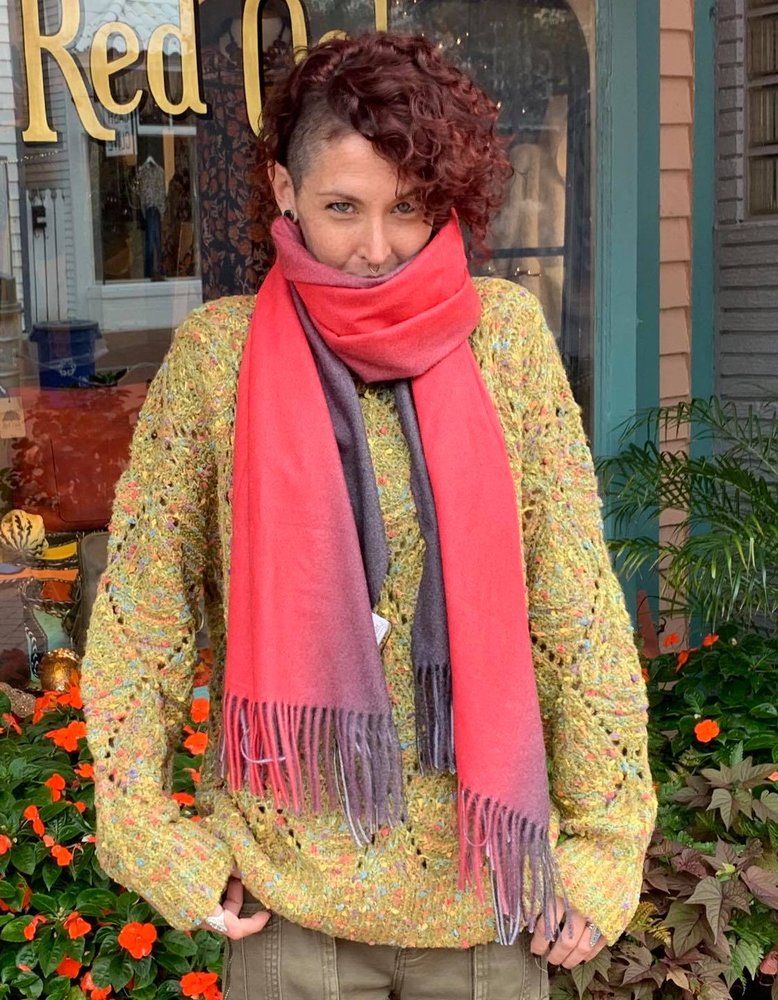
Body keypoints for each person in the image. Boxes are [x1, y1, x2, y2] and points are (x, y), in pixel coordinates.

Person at [82, 32, 657, 999]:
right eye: (343, 207)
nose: (377, 248)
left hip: (490, 907)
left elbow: (575, 606)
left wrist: (605, 846)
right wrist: (154, 836)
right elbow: (145, 615)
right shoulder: (218, 360)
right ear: (284, 189)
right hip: (290, 914)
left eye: (408, 208)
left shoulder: (504, 338)